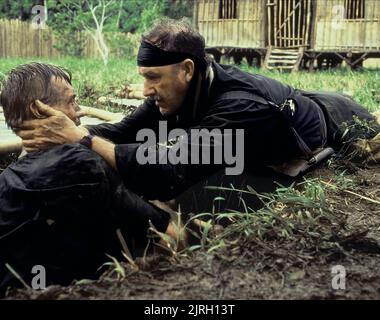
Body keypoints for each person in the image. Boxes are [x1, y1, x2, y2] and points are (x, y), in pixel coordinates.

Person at [17, 19, 379, 205]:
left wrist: (81, 138)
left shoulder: (237, 107)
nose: (146, 91)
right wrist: (53, 137)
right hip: (297, 99)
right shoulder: (176, 90)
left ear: (187, 70)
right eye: (143, 78)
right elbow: (123, 131)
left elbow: (172, 173)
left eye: (154, 78)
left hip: (340, 117)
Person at [0, 63, 182, 295]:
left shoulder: (13, 176)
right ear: (40, 110)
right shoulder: (75, 161)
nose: (79, 112)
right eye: (71, 101)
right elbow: (168, 233)